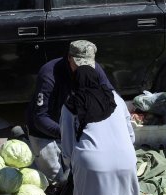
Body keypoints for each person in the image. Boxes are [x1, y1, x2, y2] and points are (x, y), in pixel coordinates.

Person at [25, 40, 114, 182]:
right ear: (69, 58)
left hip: (72, 125)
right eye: (78, 65)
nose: (83, 69)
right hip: (43, 129)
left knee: (76, 171)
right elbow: (40, 117)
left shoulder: (95, 69)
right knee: (55, 177)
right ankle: (24, 139)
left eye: (87, 65)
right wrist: (67, 133)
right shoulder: (49, 73)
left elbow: (109, 95)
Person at [59, 65, 139, 195]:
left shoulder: (71, 105)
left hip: (91, 163)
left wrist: (72, 166)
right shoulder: (116, 98)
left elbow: (67, 148)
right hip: (126, 159)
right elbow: (131, 136)